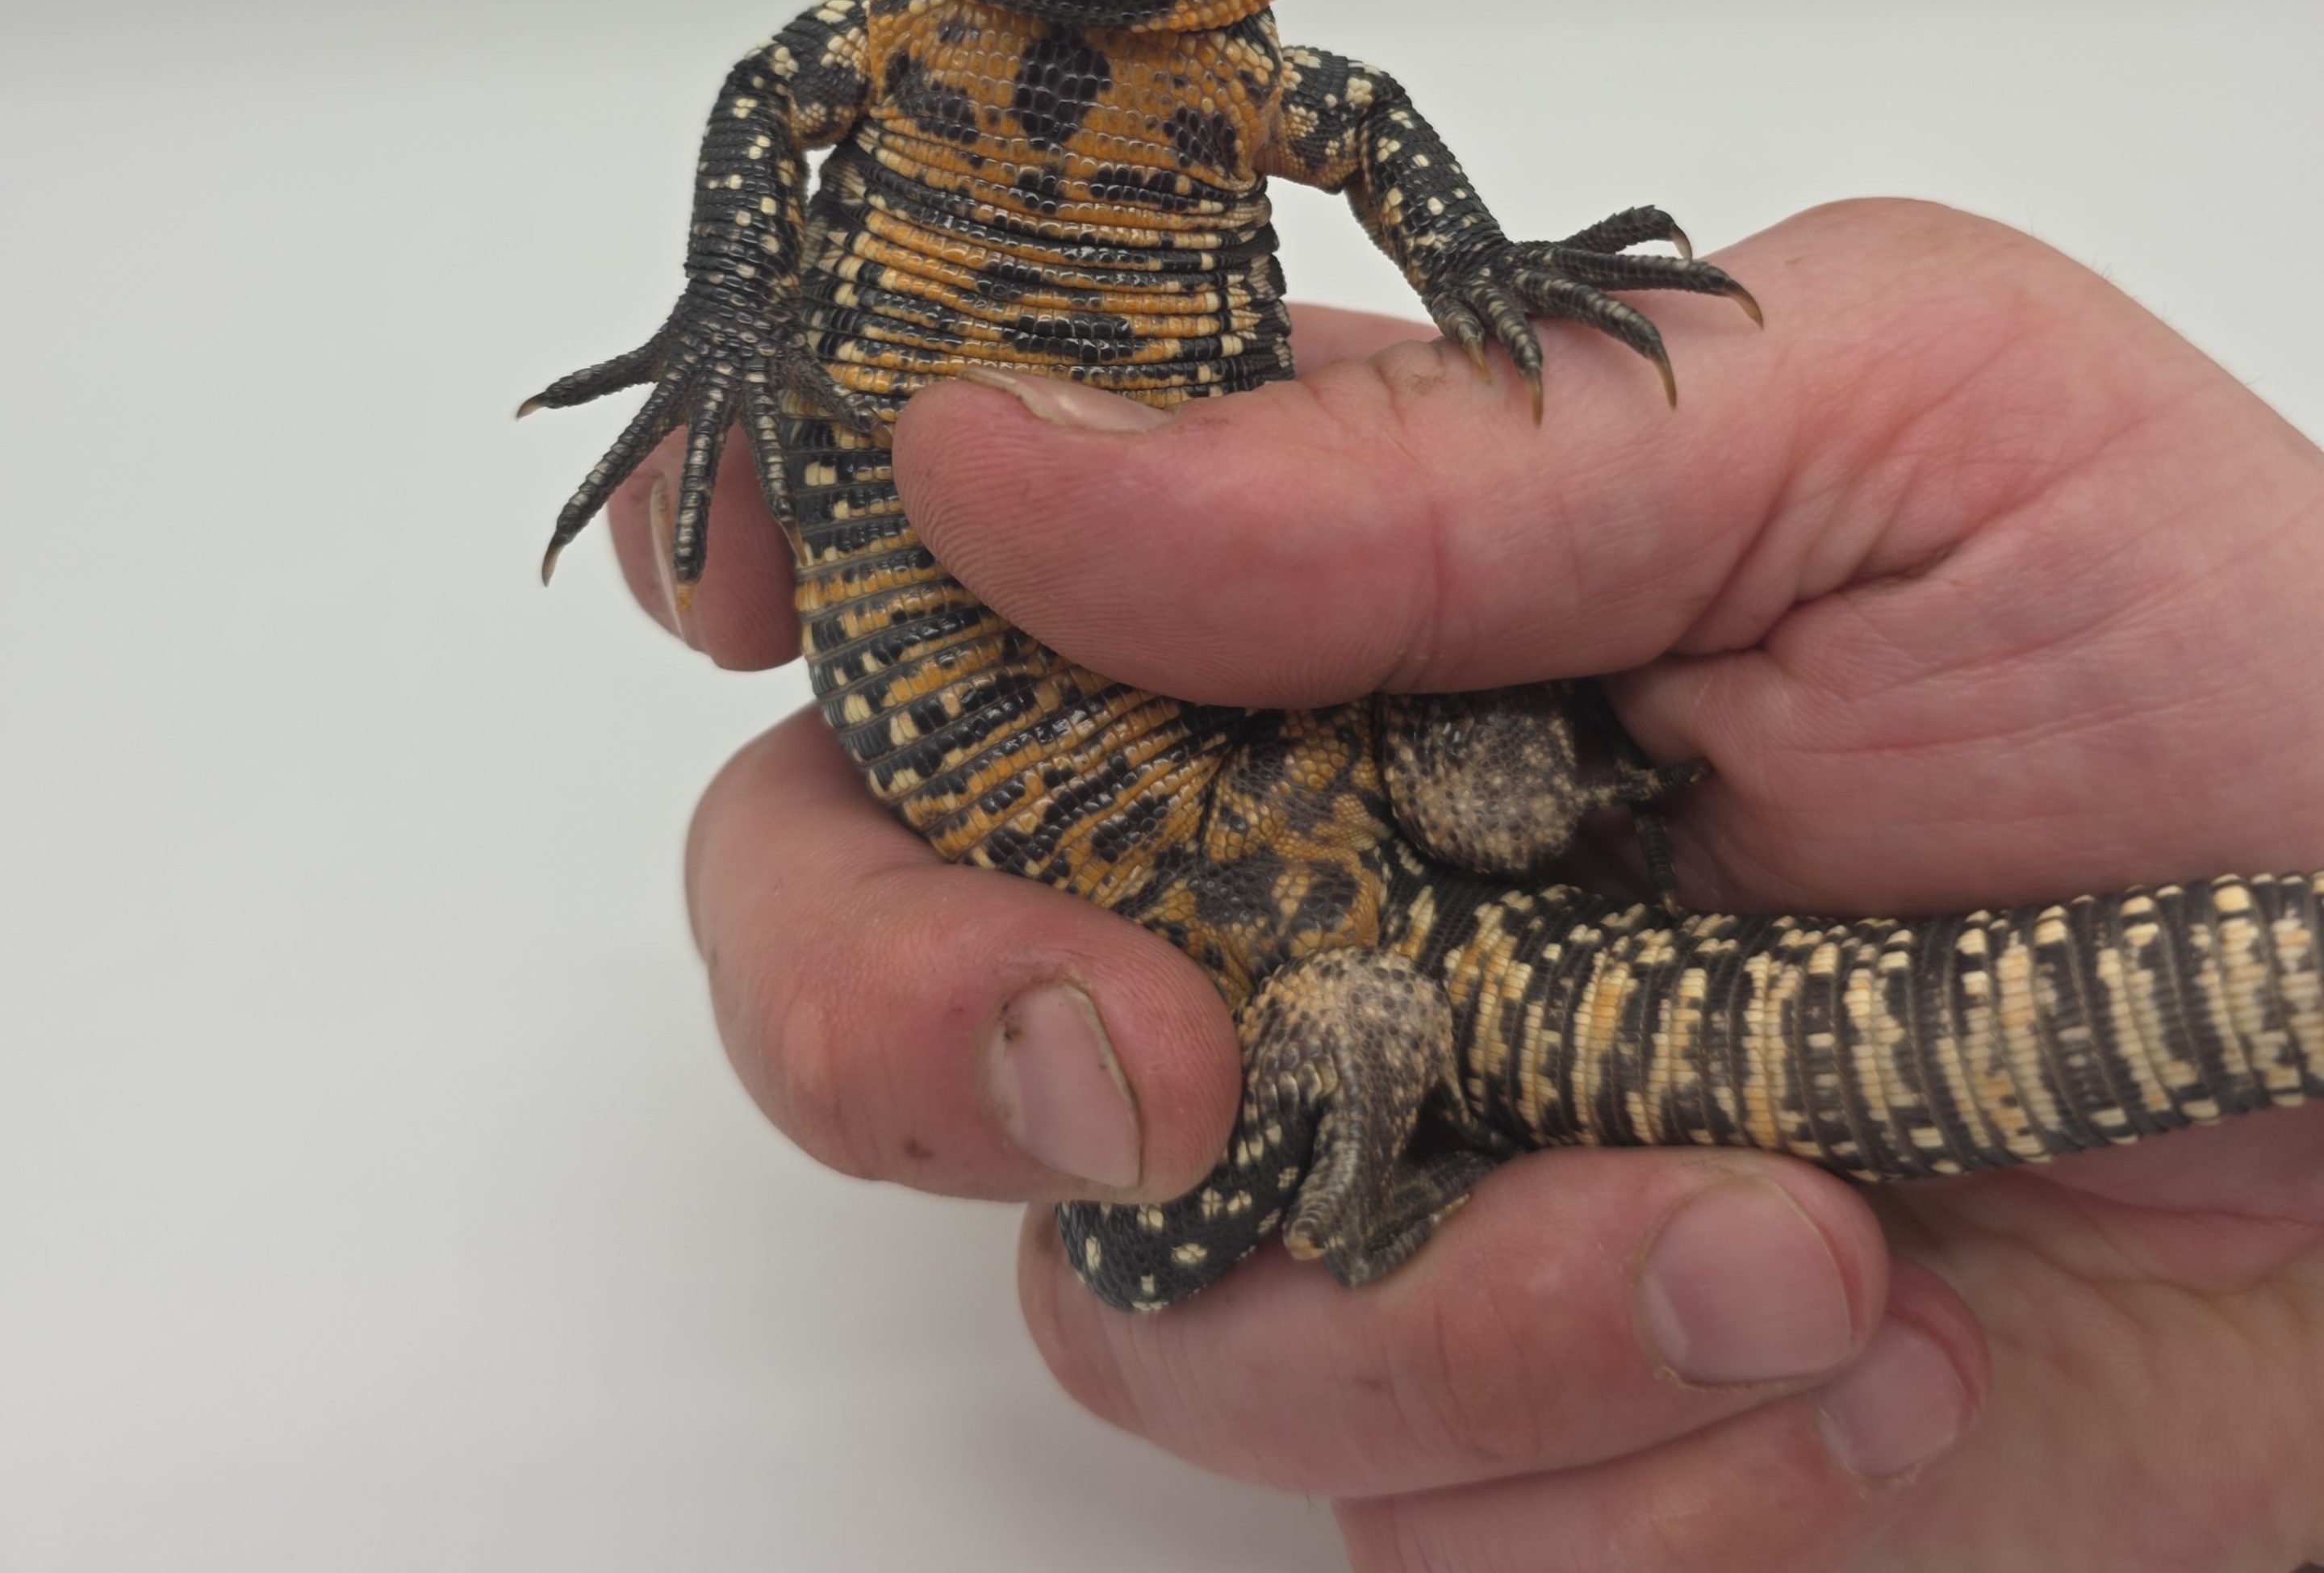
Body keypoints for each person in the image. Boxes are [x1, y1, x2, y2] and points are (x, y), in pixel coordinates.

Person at [608, 199, 2324, 1572]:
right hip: (1399, 932)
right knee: (1153, 1213)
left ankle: (1367, 1149)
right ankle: (1359, 1167)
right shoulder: (842, 248)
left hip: (1391, 893)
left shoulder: (972, 264)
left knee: (1198, 1150)